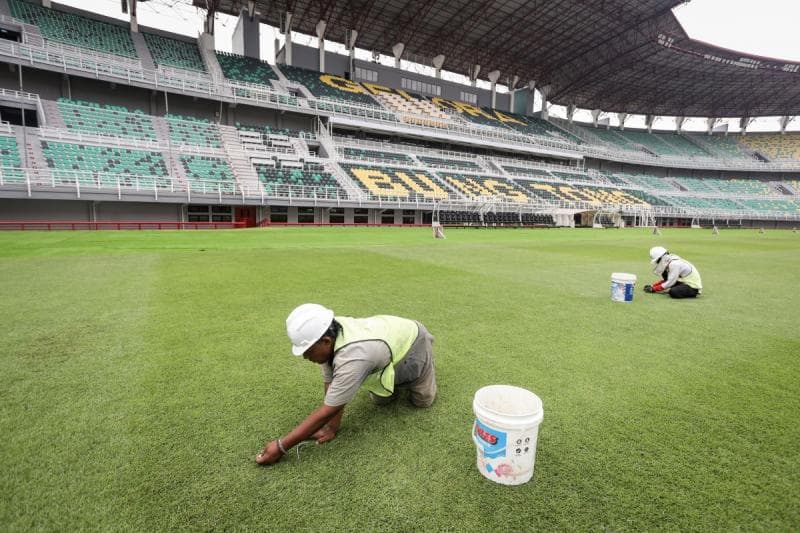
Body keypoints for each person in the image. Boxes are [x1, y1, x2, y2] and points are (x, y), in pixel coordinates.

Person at [256, 303, 437, 465]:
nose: (305, 357)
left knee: (422, 401)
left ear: (326, 342)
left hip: (413, 340)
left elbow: (328, 409)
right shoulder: (329, 334)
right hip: (382, 342)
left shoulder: (354, 356)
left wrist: (281, 446)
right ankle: (393, 374)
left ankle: (420, 369)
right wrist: (331, 427)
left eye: (308, 351)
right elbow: (331, 385)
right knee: (381, 400)